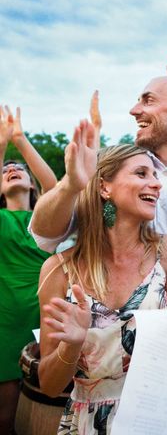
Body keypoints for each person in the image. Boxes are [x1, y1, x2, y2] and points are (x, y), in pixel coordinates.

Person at [29, 75, 167, 435]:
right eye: (143, 175)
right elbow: (44, 235)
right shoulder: (119, 165)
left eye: (147, 100)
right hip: (103, 364)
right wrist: (71, 183)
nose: (135, 109)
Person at [37, 143, 167, 433]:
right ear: (104, 187)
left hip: (156, 418)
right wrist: (72, 343)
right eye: (141, 173)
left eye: (155, 175)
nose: (156, 183)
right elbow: (48, 385)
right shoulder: (58, 271)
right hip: (88, 422)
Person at [0, 105, 57, 434]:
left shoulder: (46, 222)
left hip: (43, 320)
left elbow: (54, 187)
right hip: (5, 323)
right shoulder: (2, 220)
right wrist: (2, 144)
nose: (12, 169)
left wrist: (20, 141)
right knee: (6, 416)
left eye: (19, 169)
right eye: (5, 169)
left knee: (41, 411)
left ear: (31, 187)